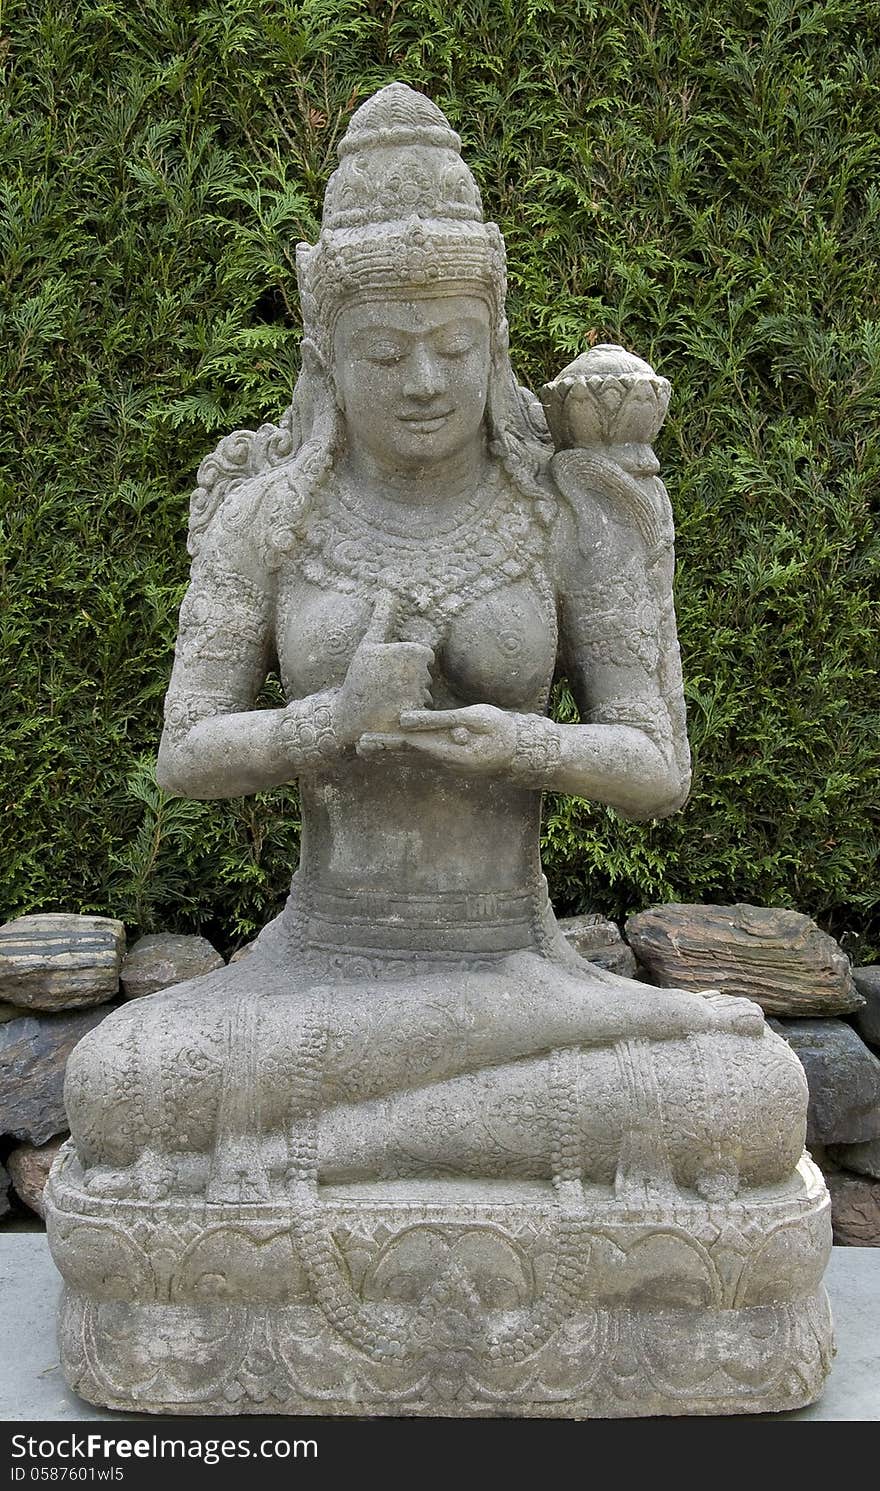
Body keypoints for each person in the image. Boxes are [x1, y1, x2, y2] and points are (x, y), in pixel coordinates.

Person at [64, 83, 805, 1209]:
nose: (423, 381)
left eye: (455, 347)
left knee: (744, 1095)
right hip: (319, 964)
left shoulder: (566, 516)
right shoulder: (266, 519)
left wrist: (524, 744)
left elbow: (655, 769)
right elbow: (186, 755)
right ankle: (427, 1139)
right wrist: (329, 722)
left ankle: (323, 1155)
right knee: (120, 1081)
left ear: (494, 340)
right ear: (326, 354)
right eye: (384, 351)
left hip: (512, 964)